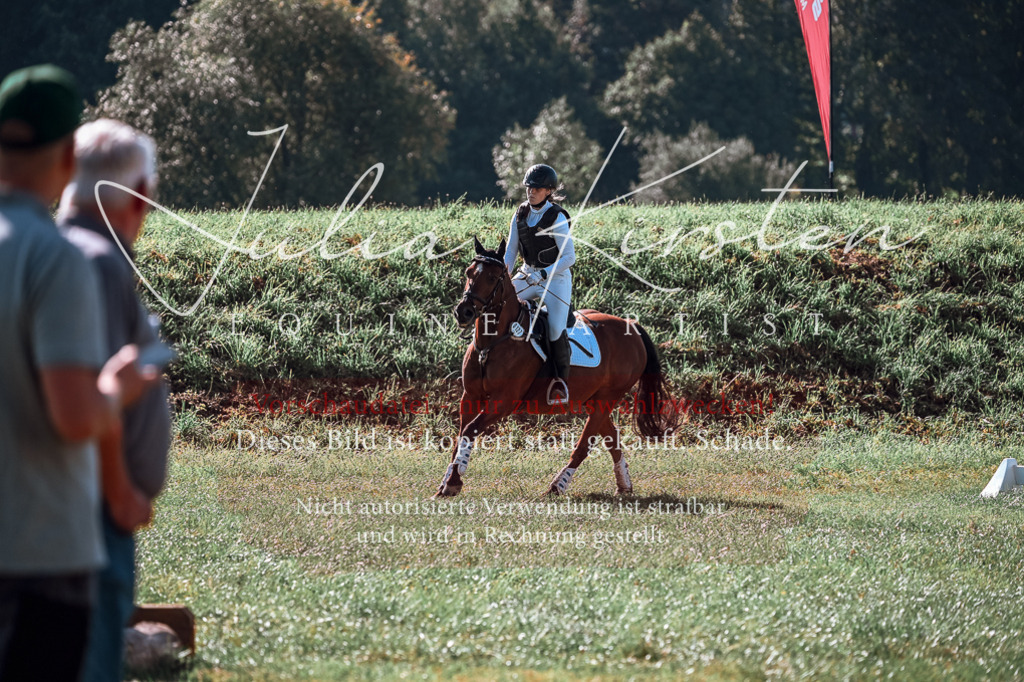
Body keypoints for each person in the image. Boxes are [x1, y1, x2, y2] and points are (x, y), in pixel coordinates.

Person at [0, 65, 158, 681]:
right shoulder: (54, 258)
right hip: (41, 548)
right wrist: (119, 388)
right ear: (68, 155)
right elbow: (74, 416)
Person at [58, 119, 172, 682]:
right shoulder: (98, 263)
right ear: (141, 196)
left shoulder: (61, 250)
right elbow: (85, 396)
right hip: (95, 517)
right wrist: (123, 492)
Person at [503, 164, 576, 405]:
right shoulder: (520, 213)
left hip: (555, 279)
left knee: (555, 328)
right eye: (528, 187)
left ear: (548, 190)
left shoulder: (556, 216)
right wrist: (504, 280)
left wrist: (543, 274)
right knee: (500, 305)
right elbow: (511, 253)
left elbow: (569, 258)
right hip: (527, 274)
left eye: (536, 188)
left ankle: (560, 383)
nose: (530, 192)